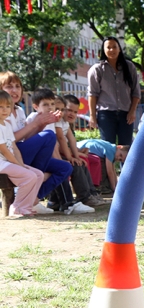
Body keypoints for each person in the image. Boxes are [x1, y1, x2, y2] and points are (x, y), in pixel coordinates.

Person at [1, 72, 71, 214]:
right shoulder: (2, 113)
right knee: (49, 136)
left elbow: (26, 138)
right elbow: (8, 141)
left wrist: (41, 124)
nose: (15, 90)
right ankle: (26, 201)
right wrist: (36, 124)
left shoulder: (19, 110)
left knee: (65, 167)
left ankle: (33, 198)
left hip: (21, 152)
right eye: (9, 86)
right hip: (8, 156)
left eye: (18, 86)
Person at [53, 96, 107, 207]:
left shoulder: (65, 124)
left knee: (81, 163)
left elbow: (71, 141)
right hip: (54, 156)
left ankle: (91, 193)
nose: (71, 114)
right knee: (76, 165)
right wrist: (72, 157)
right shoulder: (56, 123)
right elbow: (60, 143)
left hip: (61, 155)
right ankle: (84, 197)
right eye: (68, 110)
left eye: (75, 112)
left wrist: (77, 154)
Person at [87, 37, 141, 146]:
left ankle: (125, 164)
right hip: (106, 114)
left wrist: (132, 111)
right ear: (103, 50)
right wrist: (92, 116)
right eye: (108, 47)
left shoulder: (129, 67)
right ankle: (109, 164)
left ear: (119, 49)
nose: (112, 50)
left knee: (126, 147)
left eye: (114, 47)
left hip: (126, 114)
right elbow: (92, 94)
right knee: (108, 147)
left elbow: (136, 92)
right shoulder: (97, 69)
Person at [0, 90, 44, 218]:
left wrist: (21, 164)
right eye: (0, 106)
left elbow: (13, 147)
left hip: (8, 162)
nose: (5, 110)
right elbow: (3, 149)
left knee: (38, 174)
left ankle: (26, 206)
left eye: (8, 106)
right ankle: (17, 207)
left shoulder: (6, 125)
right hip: (2, 162)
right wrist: (17, 164)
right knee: (29, 176)